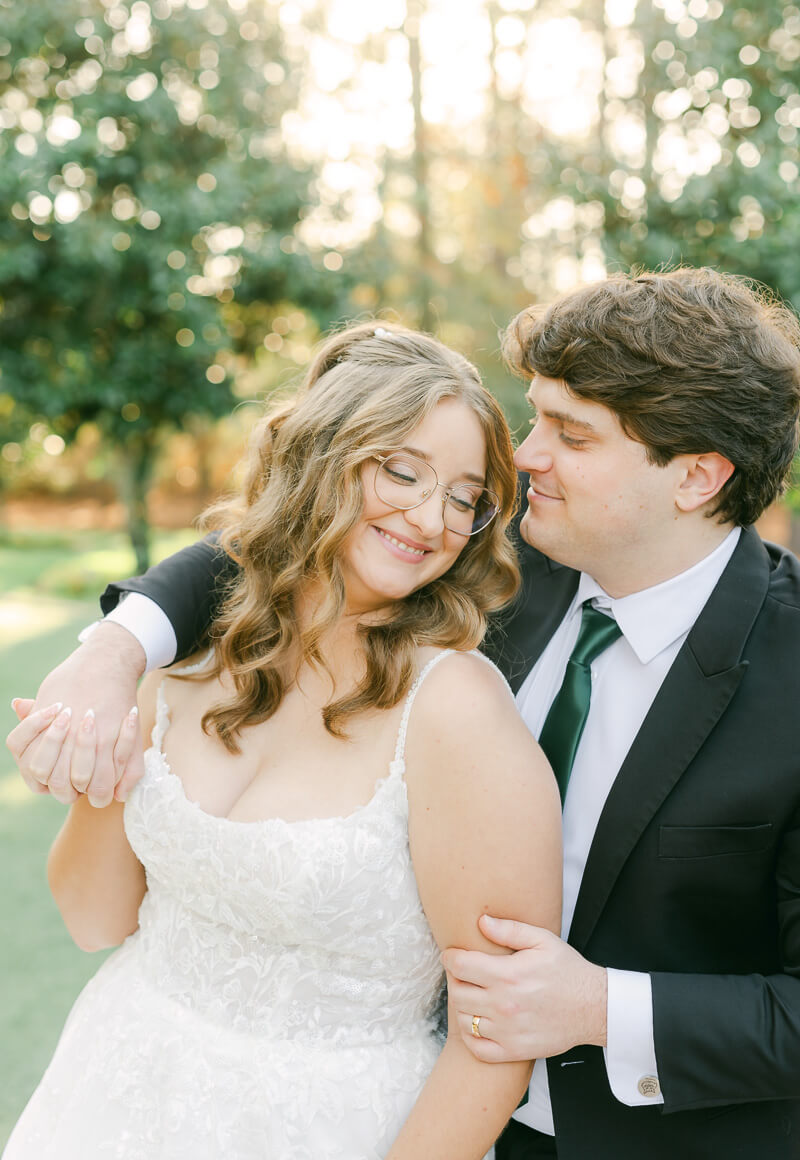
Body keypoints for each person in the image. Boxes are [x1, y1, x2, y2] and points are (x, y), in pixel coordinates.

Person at [10, 266, 800, 1158]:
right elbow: (283, 547)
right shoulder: (489, 558)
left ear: (696, 476)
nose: (525, 458)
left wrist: (600, 1007)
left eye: (570, 434)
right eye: (534, 418)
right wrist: (119, 649)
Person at [2, 322, 562, 1160]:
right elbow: (93, 917)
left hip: (330, 1127)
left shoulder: (456, 709)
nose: (430, 516)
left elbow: (499, 1035)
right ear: (323, 457)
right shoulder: (195, 648)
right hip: (113, 1088)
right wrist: (103, 767)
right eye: (403, 472)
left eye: (462, 496)